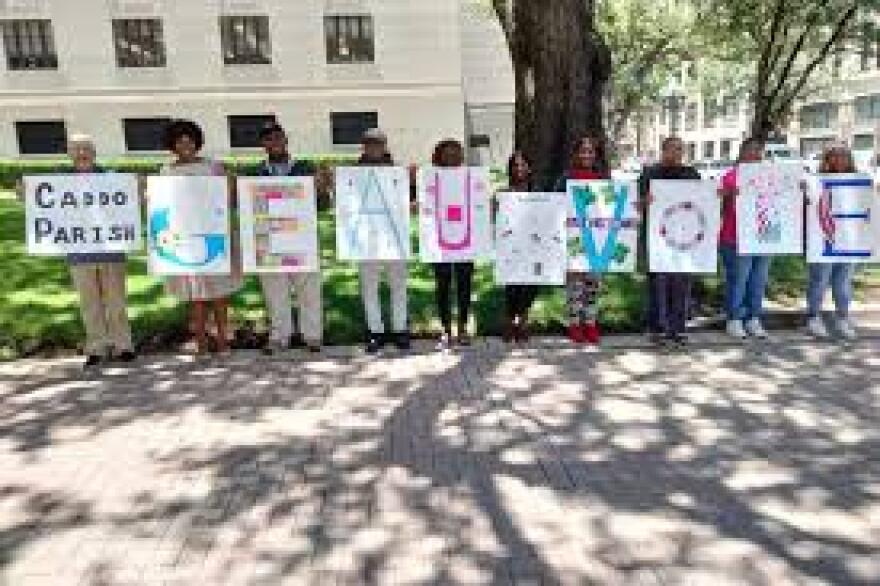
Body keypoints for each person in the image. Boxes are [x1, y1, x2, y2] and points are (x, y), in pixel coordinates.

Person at [160, 119, 242, 354]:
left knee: (219, 293)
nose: (186, 145)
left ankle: (224, 341)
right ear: (172, 145)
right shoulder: (166, 172)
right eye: (180, 141)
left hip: (214, 236)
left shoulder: (214, 167)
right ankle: (202, 343)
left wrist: (232, 182)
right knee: (194, 295)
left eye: (190, 140)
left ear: (197, 142)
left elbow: (228, 200)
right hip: (184, 240)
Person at [65, 134, 135, 368]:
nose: (82, 153)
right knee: (89, 303)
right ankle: (97, 347)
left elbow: (131, 203)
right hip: (79, 253)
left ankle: (123, 345)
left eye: (86, 148)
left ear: (94, 153)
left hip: (111, 252)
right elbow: (38, 204)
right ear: (70, 154)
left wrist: (139, 187)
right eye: (76, 149)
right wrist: (24, 191)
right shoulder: (60, 182)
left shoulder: (112, 179)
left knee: (117, 302)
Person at [254, 122, 322, 354]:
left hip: (302, 238)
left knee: (309, 289)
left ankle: (312, 336)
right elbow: (243, 207)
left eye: (278, 137)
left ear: (285, 140)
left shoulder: (305, 169)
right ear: (263, 144)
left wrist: (322, 187)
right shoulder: (254, 173)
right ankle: (279, 336)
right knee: (274, 291)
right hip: (268, 238)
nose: (274, 142)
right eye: (269, 139)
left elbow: (322, 206)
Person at [639, 136, 701, 347]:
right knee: (658, 284)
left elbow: (702, 200)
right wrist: (644, 202)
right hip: (658, 239)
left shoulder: (691, 174)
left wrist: (714, 195)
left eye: (680, 150)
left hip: (684, 239)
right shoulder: (650, 174)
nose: (677, 154)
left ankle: (678, 329)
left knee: (681, 285)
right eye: (673, 150)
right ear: (663, 151)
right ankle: (657, 329)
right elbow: (637, 204)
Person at [356, 128, 410, 354]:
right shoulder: (353, 173)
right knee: (370, 288)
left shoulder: (398, 172)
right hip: (365, 238)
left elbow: (408, 200)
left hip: (394, 236)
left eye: (378, 144)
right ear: (364, 147)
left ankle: (399, 331)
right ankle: (375, 332)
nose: (374, 148)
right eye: (369, 144)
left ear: (385, 146)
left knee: (398, 286)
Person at [556, 136, 609, 345]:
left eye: (590, 151)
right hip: (573, 237)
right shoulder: (566, 179)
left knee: (593, 283)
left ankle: (590, 323)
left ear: (595, 155)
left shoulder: (602, 178)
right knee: (575, 284)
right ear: (576, 154)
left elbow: (611, 206)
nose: (587, 155)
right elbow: (556, 206)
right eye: (583, 151)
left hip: (596, 238)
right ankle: (574, 324)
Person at [805, 143, 859, 340]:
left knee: (843, 283)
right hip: (822, 239)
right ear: (826, 160)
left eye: (843, 156)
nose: (839, 160)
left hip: (849, 241)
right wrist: (805, 191)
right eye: (834, 156)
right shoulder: (814, 181)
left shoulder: (860, 181)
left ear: (849, 159)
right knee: (819, 280)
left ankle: (842, 319)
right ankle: (813, 318)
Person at [719, 138, 771, 340]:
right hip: (735, 238)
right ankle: (734, 319)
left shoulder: (769, 177)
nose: (756, 155)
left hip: (764, 238)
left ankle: (753, 318)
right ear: (741, 154)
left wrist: (797, 189)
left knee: (758, 280)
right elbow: (717, 203)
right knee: (738, 280)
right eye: (751, 151)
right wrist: (728, 193)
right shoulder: (730, 177)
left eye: (759, 152)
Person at [431, 138, 475, 349]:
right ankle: (446, 328)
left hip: (466, 241)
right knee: (443, 284)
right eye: (448, 154)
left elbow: (477, 203)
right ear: (439, 157)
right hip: (440, 241)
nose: (453, 158)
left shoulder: (470, 178)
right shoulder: (431, 179)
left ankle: (463, 326)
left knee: (464, 284)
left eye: (457, 154)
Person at [498, 151, 539, 342]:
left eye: (523, 165)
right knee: (512, 284)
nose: (519, 168)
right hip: (511, 246)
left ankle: (522, 319)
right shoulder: (505, 192)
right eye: (515, 165)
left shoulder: (538, 193)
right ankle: (509, 321)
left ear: (529, 168)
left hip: (534, 246)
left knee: (530, 284)